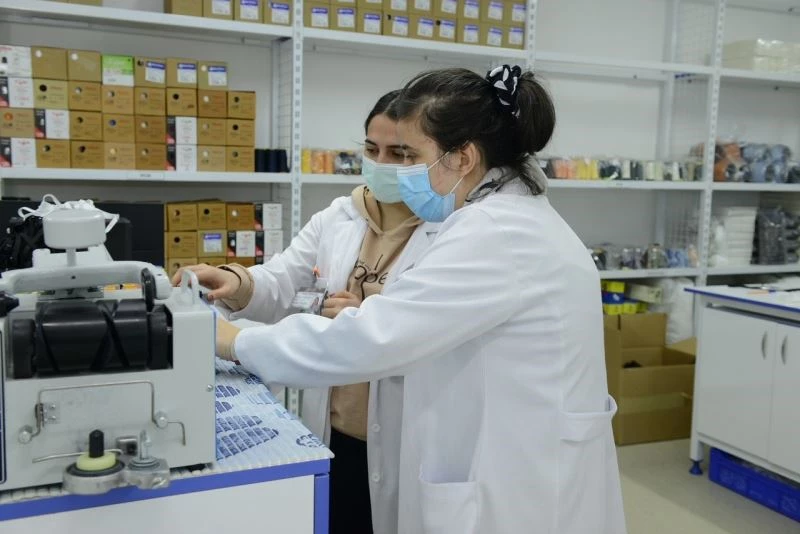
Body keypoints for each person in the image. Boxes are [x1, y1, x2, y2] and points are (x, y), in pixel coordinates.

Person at [213, 65, 626, 533]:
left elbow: (372, 339)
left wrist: (233, 341)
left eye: (410, 155)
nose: (400, 171)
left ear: (463, 158)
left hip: (517, 485)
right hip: (521, 458)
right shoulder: (510, 218)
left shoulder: (495, 231)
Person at [175, 90, 441, 534]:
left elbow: (417, 328)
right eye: (371, 149)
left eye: (399, 153)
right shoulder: (341, 216)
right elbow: (283, 280)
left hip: (402, 437)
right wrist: (236, 281)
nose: (381, 163)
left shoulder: (447, 230)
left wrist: (365, 314)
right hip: (333, 430)